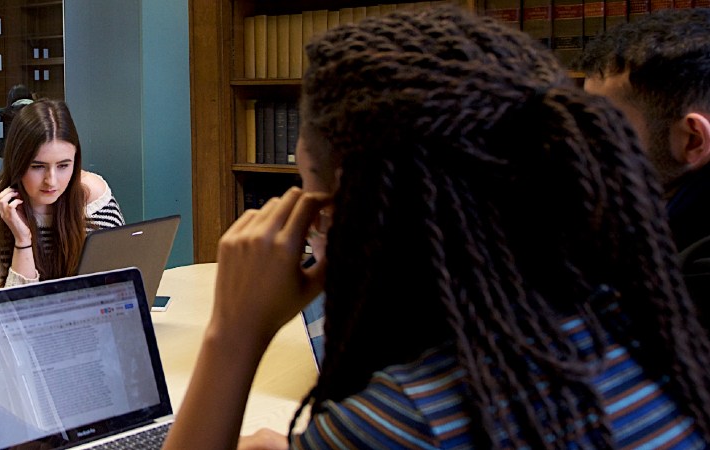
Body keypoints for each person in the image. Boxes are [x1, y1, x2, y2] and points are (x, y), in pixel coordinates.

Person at [164, 8, 710, 449]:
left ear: (351, 211)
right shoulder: (637, 329)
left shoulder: (408, 417)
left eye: (306, 186)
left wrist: (232, 335)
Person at [578, 8, 710, 323]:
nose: (584, 145)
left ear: (693, 140)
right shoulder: (649, 205)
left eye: (604, 128)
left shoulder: (699, 270)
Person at [0, 99, 123, 291]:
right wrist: (23, 241)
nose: (51, 181)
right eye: (37, 166)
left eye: (63, 166)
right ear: (16, 163)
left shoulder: (96, 206)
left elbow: (118, 291)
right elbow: (4, 316)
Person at [0, 84, 34, 159]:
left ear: (9, 99)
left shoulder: (2, 114)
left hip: (10, 156)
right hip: (35, 155)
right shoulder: (39, 112)